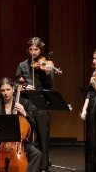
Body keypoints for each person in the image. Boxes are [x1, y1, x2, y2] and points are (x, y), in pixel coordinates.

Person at [0, 77, 42, 172]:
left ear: (13, 89)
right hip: (0, 142)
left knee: (37, 154)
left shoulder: (25, 103)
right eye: (3, 90)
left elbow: (33, 124)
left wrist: (24, 113)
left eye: (8, 89)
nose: (6, 93)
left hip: (19, 142)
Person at [15, 37, 56, 171]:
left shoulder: (45, 65)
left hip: (40, 103)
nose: (33, 52)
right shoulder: (22, 65)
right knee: (26, 135)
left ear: (41, 50)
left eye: (36, 49)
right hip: (26, 103)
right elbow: (16, 84)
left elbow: (49, 86)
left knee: (43, 136)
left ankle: (44, 167)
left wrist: (48, 74)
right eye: (31, 49)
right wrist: (25, 86)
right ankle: (28, 163)